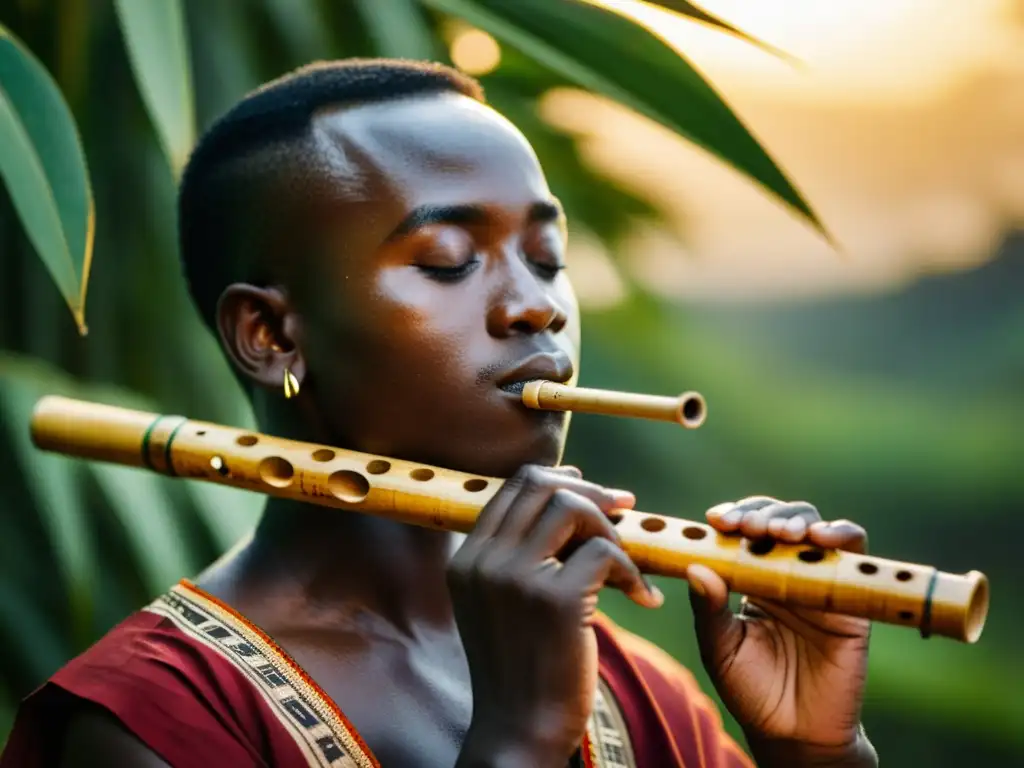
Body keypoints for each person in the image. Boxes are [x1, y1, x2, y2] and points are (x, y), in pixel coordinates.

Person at [0, 59, 878, 768]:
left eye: (546, 256)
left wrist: (813, 753)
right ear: (269, 334)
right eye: (452, 258)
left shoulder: (640, 694)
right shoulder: (153, 722)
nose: (535, 306)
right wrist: (517, 743)